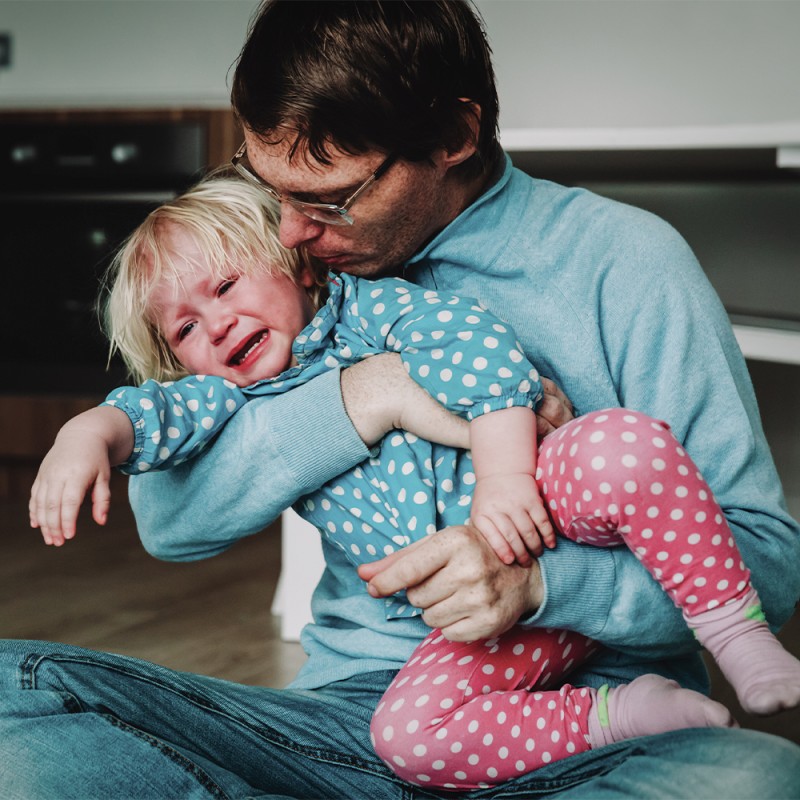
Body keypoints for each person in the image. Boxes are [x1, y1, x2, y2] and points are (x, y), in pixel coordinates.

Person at [4, 1, 800, 797]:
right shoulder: (281, 275)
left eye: (329, 198)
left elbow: (768, 565)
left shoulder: (624, 261)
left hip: (593, 721)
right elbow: (171, 521)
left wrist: (542, 589)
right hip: (348, 725)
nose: (291, 231)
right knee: (15, 694)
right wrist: (370, 396)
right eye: (270, 188)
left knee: (749, 781)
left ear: (453, 135)